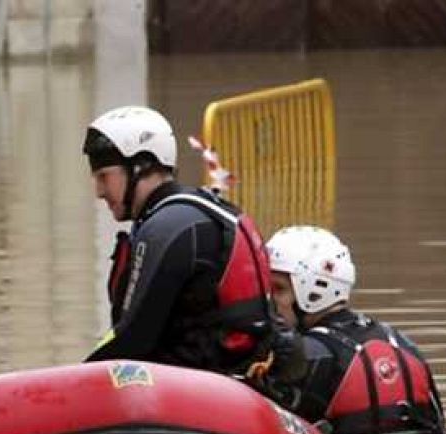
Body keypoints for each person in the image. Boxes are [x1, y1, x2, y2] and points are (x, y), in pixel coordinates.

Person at [81, 106, 293, 381]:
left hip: (203, 390)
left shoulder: (166, 227)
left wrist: (75, 382)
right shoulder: (200, 212)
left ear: (140, 165)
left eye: (104, 177)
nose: (99, 192)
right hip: (238, 379)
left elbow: (133, 338)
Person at [264, 226, 446, 434]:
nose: (270, 302)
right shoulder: (402, 344)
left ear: (311, 290)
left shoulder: (309, 358)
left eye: (278, 290)